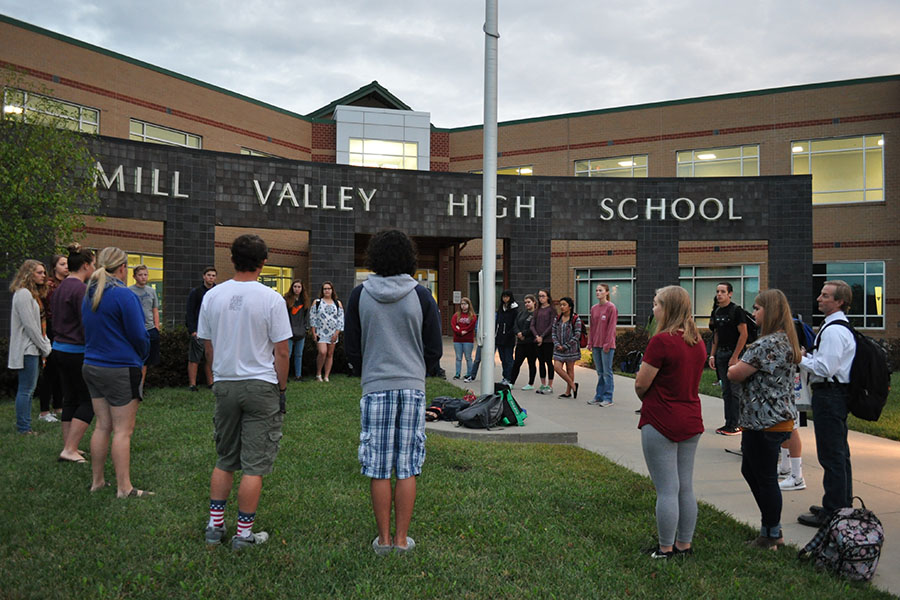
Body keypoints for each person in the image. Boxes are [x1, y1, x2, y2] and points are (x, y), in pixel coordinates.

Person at [344, 230, 442, 555]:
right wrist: (421, 369)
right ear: (408, 258)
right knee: (408, 465)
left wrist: (364, 370)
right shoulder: (422, 295)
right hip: (412, 387)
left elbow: (353, 347)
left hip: (375, 387)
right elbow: (434, 348)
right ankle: (402, 540)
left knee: (378, 466)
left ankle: (383, 540)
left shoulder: (360, 295)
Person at [197, 234, 291, 550]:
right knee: (254, 464)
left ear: (232, 259)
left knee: (224, 458)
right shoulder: (272, 299)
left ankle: (215, 527)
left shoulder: (213, 297)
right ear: (263, 262)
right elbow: (282, 351)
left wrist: (215, 376)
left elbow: (207, 345)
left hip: (225, 383)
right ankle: (243, 533)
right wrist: (282, 386)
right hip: (261, 385)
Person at [634, 286, 705, 559]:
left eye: (656, 304)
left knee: (666, 489)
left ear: (668, 308)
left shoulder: (661, 341)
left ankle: (665, 548)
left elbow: (641, 384)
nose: (654, 309)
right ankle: (684, 545)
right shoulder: (696, 341)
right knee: (685, 486)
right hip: (690, 417)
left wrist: (646, 395)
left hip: (661, 418)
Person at [727, 289, 801, 550]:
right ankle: (771, 528)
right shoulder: (783, 340)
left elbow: (736, 374)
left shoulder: (767, 344)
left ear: (770, 312)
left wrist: (732, 364)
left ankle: (771, 534)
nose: (753, 312)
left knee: (765, 476)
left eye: (757, 308)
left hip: (765, 421)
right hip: (768, 419)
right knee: (752, 470)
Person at [83, 248, 152, 497]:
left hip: (92, 365)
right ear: (122, 267)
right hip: (120, 368)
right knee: (123, 430)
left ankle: (97, 481)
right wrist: (143, 353)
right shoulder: (124, 295)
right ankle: (125, 488)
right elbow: (138, 335)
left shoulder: (89, 294)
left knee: (102, 425)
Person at [796, 280, 857, 528]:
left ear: (839, 301)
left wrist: (801, 359)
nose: (819, 299)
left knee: (832, 455)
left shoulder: (833, 331)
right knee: (840, 455)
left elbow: (825, 368)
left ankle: (833, 512)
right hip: (835, 395)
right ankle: (841, 504)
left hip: (830, 395)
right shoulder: (837, 327)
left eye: (825, 295)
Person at [53, 244, 96, 462]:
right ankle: (70, 448)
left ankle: (69, 446)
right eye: (93, 264)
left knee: (69, 398)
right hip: (76, 350)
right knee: (88, 401)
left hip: (59, 348)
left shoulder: (60, 287)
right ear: (86, 265)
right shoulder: (80, 290)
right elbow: (85, 322)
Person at [8, 260, 53, 435]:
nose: (43, 275)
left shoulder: (31, 294)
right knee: (26, 390)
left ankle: (24, 425)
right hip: (27, 349)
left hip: (33, 347)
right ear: (28, 273)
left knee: (28, 389)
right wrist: (45, 347)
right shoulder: (23, 294)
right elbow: (30, 326)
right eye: (39, 272)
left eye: (43, 272)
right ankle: (23, 427)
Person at [707, 282, 749, 435]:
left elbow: (743, 334)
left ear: (730, 294)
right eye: (718, 291)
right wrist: (712, 354)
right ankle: (728, 423)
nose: (719, 294)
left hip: (734, 354)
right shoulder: (717, 311)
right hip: (721, 355)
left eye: (723, 291)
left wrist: (736, 356)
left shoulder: (736, 311)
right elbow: (716, 335)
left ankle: (737, 424)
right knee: (725, 391)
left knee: (735, 390)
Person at [36, 253, 68, 422]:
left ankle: (58, 405)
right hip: (51, 326)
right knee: (50, 369)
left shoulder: (70, 282)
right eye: (62, 264)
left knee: (60, 370)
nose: (66, 266)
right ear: (55, 267)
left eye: (67, 263)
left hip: (65, 328)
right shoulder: (49, 285)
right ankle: (43, 410)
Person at [128, 264, 160, 388]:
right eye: (140, 275)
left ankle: (140, 386)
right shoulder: (129, 291)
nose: (143, 277)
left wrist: (156, 327)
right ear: (134, 276)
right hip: (135, 329)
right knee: (136, 358)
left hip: (150, 329)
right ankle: (133, 385)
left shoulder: (151, 291)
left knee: (146, 361)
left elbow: (155, 309)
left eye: (145, 274)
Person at [186, 266, 216, 392]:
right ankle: (192, 384)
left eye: (213, 275)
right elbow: (190, 312)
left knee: (211, 357)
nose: (211, 277)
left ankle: (211, 383)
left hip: (213, 330)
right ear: (204, 276)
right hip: (198, 330)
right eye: (209, 275)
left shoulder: (217, 291)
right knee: (195, 358)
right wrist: (192, 330)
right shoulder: (196, 292)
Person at [588, 283, 618, 407]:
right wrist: (590, 342)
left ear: (607, 292)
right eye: (596, 290)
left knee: (607, 372)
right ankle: (598, 396)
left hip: (607, 345)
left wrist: (608, 343)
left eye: (600, 290)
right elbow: (592, 327)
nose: (598, 293)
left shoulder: (611, 308)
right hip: (596, 344)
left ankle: (608, 397)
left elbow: (612, 328)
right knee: (600, 372)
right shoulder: (594, 308)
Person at [309, 281, 343, 382]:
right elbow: (313, 318)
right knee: (322, 352)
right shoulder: (317, 302)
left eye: (329, 289)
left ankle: (326, 376)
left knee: (330, 354)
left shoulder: (337, 303)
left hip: (333, 333)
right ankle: (318, 374)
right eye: (325, 289)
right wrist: (313, 332)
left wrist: (337, 333)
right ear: (322, 290)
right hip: (320, 332)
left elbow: (340, 319)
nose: (327, 290)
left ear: (332, 290)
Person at [552, 297, 582, 399]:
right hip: (558, 349)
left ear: (570, 306)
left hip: (571, 349)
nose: (562, 307)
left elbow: (577, 335)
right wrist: (557, 344)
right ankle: (573, 385)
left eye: (564, 305)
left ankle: (568, 392)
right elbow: (553, 332)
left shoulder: (575, 319)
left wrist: (566, 346)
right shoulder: (558, 318)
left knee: (570, 369)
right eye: (560, 305)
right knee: (557, 367)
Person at [509, 294, 538, 390]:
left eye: (529, 302)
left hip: (531, 343)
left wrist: (524, 334)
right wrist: (518, 333)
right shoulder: (521, 313)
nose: (527, 304)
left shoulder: (536, 314)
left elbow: (533, 327)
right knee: (516, 363)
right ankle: (511, 382)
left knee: (531, 363)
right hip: (521, 343)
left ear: (534, 302)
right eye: (525, 302)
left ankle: (530, 383)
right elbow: (515, 324)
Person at [283, 280, 310, 381]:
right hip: (288, 331)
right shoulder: (286, 299)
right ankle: (284, 375)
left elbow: (306, 316)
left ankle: (298, 375)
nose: (297, 289)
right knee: (287, 355)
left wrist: (305, 328)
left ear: (302, 288)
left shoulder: (305, 301)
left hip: (300, 331)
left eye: (299, 287)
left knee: (299, 354)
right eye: (295, 286)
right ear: (292, 287)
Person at [531, 289, 556, 394]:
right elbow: (532, 324)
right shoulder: (537, 310)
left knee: (548, 362)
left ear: (548, 297)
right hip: (537, 340)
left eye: (543, 296)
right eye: (540, 296)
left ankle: (550, 385)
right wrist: (537, 336)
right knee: (541, 362)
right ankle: (543, 384)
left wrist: (542, 336)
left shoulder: (551, 310)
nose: (541, 298)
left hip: (548, 340)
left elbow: (552, 325)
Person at [495, 290, 519, 386]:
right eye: (504, 297)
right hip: (500, 337)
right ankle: (505, 376)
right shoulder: (501, 308)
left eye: (507, 297)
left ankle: (509, 377)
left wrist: (509, 333)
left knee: (509, 359)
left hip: (509, 338)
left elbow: (514, 324)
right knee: (502, 359)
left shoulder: (514, 309)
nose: (505, 299)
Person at [450, 297, 476, 380]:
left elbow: (471, 326)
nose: (463, 306)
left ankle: (469, 373)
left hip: (468, 340)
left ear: (469, 305)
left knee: (468, 357)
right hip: (457, 340)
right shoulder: (456, 315)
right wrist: (460, 331)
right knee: (458, 357)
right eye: (462, 304)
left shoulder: (472, 316)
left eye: (465, 304)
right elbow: (453, 325)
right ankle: (457, 373)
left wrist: (463, 330)